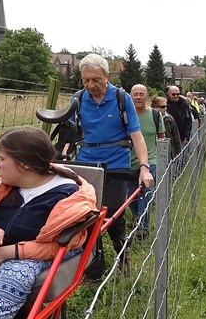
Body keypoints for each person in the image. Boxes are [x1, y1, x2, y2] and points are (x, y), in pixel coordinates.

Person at [0, 126, 97, 319]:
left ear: (25, 164)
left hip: (36, 254)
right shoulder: (3, 186)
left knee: (14, 275)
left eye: (2, 159)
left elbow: (60, 245)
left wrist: (7, 253)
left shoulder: (69, 199)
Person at [75, 53, 154, 275]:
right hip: (87, 162)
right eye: (86, 80)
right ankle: (93, 267)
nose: (90, 85)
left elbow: (136, 136)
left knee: (113, 215)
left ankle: (123, 256)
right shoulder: (79, 99)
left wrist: (144, 167)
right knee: (86, 215)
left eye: (96, 80)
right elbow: (69, 134)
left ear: (106, 76)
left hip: (116, 163)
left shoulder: (121, 98)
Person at [127, 84, 165, 239]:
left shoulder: (155, 115)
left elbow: (162, 137)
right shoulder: (125, 115)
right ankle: (139, 217)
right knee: (131, 196)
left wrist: (162, 157)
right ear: (130, 96)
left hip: (150, 160)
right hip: (129, 161)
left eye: (141, 94)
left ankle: (143, 227)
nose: (138, 97)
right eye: (135, 94)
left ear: (146, 96)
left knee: (146, 192)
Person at [152, 95, 182, 161]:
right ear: (155, 107)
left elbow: (176, 136)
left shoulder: (169, 118)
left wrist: (178, 153)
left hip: (168, 151)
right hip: (153, 152)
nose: (165, 108)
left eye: (166, 106)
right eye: (162, 107)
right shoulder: (150, 118)